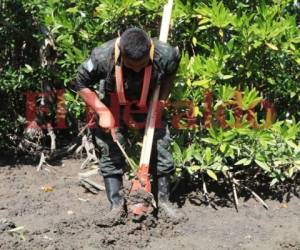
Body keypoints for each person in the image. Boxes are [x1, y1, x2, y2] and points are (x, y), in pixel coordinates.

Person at [75, 27, 182, 226]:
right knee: (111, 150)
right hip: (113, 103)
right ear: (121, 53)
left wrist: (161, 102)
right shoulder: (102, 56)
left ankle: (164, 203)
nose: (136, 70)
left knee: (161, 146)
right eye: (130, 66)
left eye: (141, 66)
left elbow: (170, 74)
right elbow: (81, 83)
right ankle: (116, 207)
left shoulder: (165, 54)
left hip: (149, 102)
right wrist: (102, 111)